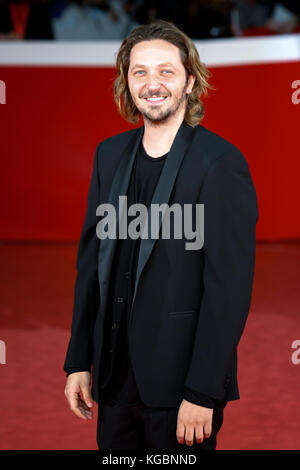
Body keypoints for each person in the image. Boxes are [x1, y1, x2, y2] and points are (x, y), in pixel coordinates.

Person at [63, 19, 258, 451]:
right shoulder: (108, 155)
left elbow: (228, 291)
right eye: (140, 72)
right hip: (113, 382)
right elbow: (90, 267)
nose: (153, 83)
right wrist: (78, 359)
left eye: (165, 71)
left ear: (190, 80)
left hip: (180, 387)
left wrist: (203, 391)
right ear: (127, 82)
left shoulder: (220, 164)